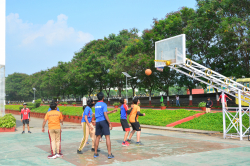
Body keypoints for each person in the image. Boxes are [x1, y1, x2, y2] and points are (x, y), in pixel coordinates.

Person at [94, 92, 114, 159]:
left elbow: (101, 113)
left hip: (97, 122)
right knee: (107, 137)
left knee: (97, 137)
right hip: (103, 121)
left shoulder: (96, 105)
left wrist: (111, 111)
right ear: (103, 97)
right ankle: (109, 154)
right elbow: (105, 114)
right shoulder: (104, 104)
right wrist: (109, 123)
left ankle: (95, 153)